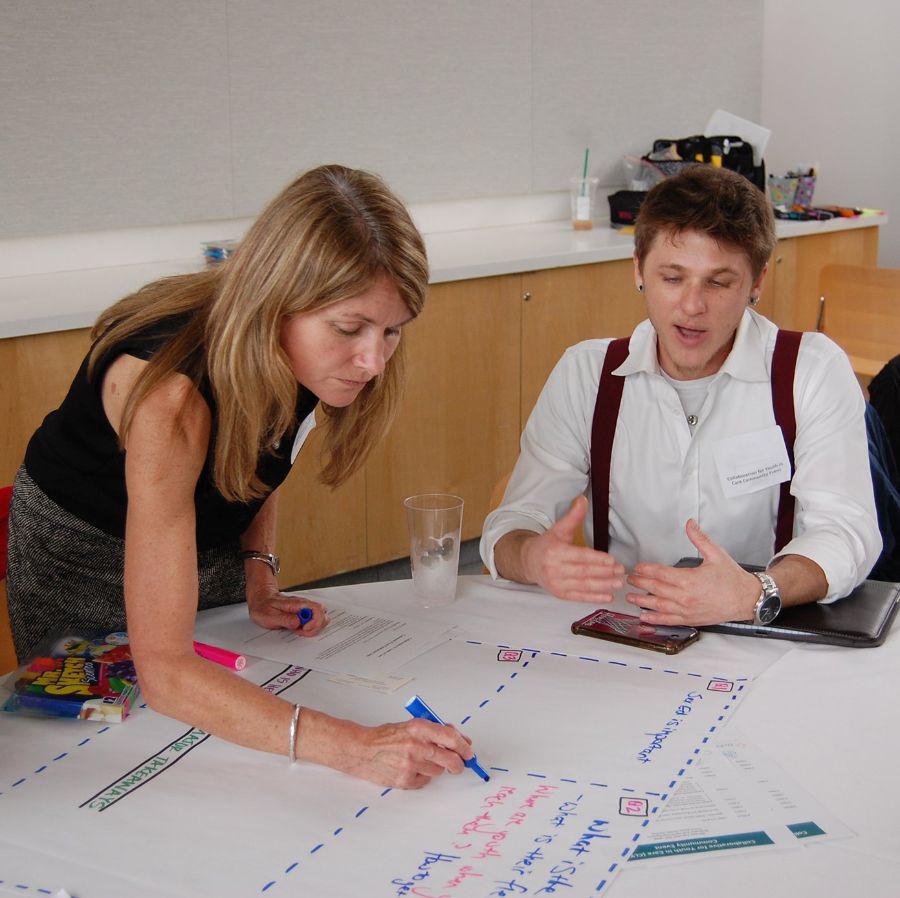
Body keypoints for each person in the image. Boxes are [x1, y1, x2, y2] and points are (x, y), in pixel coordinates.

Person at [7, 164, 474, 788]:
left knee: (218, 749)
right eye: (349, 329)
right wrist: (354, 747)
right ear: (275, 303)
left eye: (391, 331)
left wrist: (259, 570)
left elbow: (259, 460)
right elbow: (167, 672)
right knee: (100, 762)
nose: (373, 361)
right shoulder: (170, 397)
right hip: (81, 555)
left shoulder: (311, 357)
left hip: (196, 532)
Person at [481, 165, 881, 627]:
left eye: (718, 282)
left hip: (762, 633)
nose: (692, 306)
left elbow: (846, 531)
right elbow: (513, 522)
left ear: (756, 282)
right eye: (672, 278)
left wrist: (756, 592)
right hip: (626, 633)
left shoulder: (810, 371)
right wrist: (531, 558)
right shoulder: (587, 374)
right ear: (638, 270)